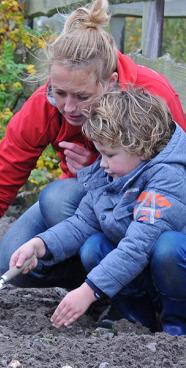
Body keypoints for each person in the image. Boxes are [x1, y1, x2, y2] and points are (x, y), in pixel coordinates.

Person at [0, 0, 185, 291]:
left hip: (151, 211)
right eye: (59, 92)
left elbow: (177, 173)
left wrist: (97, 167)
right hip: (91, 207)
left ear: (110, 82)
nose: (68, 107)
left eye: (81, 96)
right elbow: (0, 178)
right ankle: (98, 280)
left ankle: (136, 288)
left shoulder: (151, 96)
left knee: (57, 198)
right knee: (12, 259)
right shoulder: (45, 106)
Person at [10, 87, 186, 335]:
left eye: (110, 155)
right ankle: (135, 314)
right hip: (150, 274)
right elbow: (82, 222)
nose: (101, 163)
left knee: (168, 247)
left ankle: (177, 325)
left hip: (175, 274)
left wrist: (89, 290)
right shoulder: (116, 170)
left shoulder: (169, 177)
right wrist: (40, 245)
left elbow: (138, 246)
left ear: (142, 148)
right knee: (94, 245)